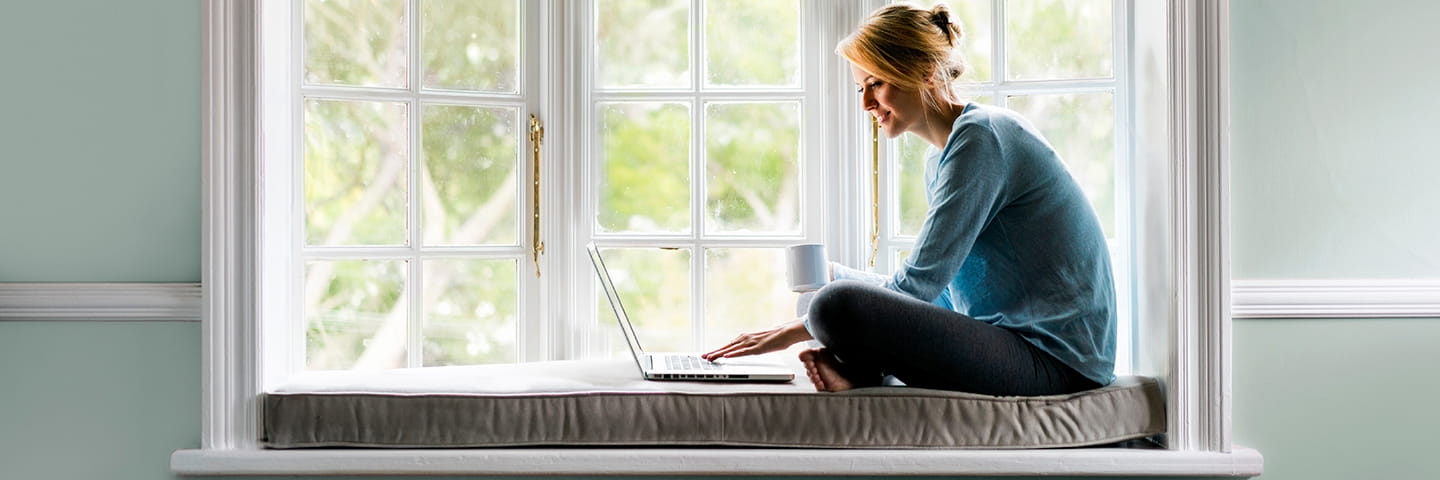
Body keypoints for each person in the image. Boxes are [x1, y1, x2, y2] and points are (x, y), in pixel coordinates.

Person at [701, 2, 1116, 397]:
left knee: (832, 306)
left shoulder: (982, 139)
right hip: (1011, 343)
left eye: (875, 84)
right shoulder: (942, 159)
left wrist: (794, 329)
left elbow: (918, 287)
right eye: (861, 88)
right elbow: (947, 297)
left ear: (924, 72)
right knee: (827, 294)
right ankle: (860, 371)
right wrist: (835, 274)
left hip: (1058, 361)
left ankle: (861, 370)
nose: (865, 103)